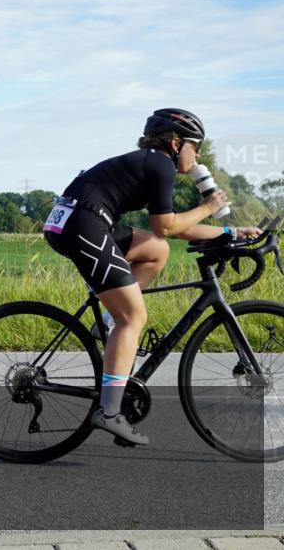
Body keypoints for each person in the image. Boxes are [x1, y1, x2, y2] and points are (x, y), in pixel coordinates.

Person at [42, 109, 263, 445]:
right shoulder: (161, 164)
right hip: (83, 225)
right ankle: (109, 411)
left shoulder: (153, 162)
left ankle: (107, 322)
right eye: (195, 146)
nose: (198, 156)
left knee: (156, 251)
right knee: (133, 317)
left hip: (79, 220)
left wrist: (230, 232)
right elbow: (167, 225)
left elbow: (171, 231)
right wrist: (208, 206)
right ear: (175, 143)